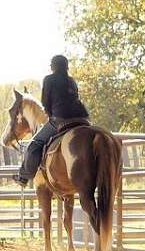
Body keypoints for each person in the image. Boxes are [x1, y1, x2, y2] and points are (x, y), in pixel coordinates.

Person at [12, 55, 90, 187]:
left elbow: (45, 102)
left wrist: (50, 114)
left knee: (34, 144)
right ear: (66, 66)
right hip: (83, 118)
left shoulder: (48, 79)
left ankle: (23, 176)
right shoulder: (71, 81)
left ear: (53, 66)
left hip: (61, 119)